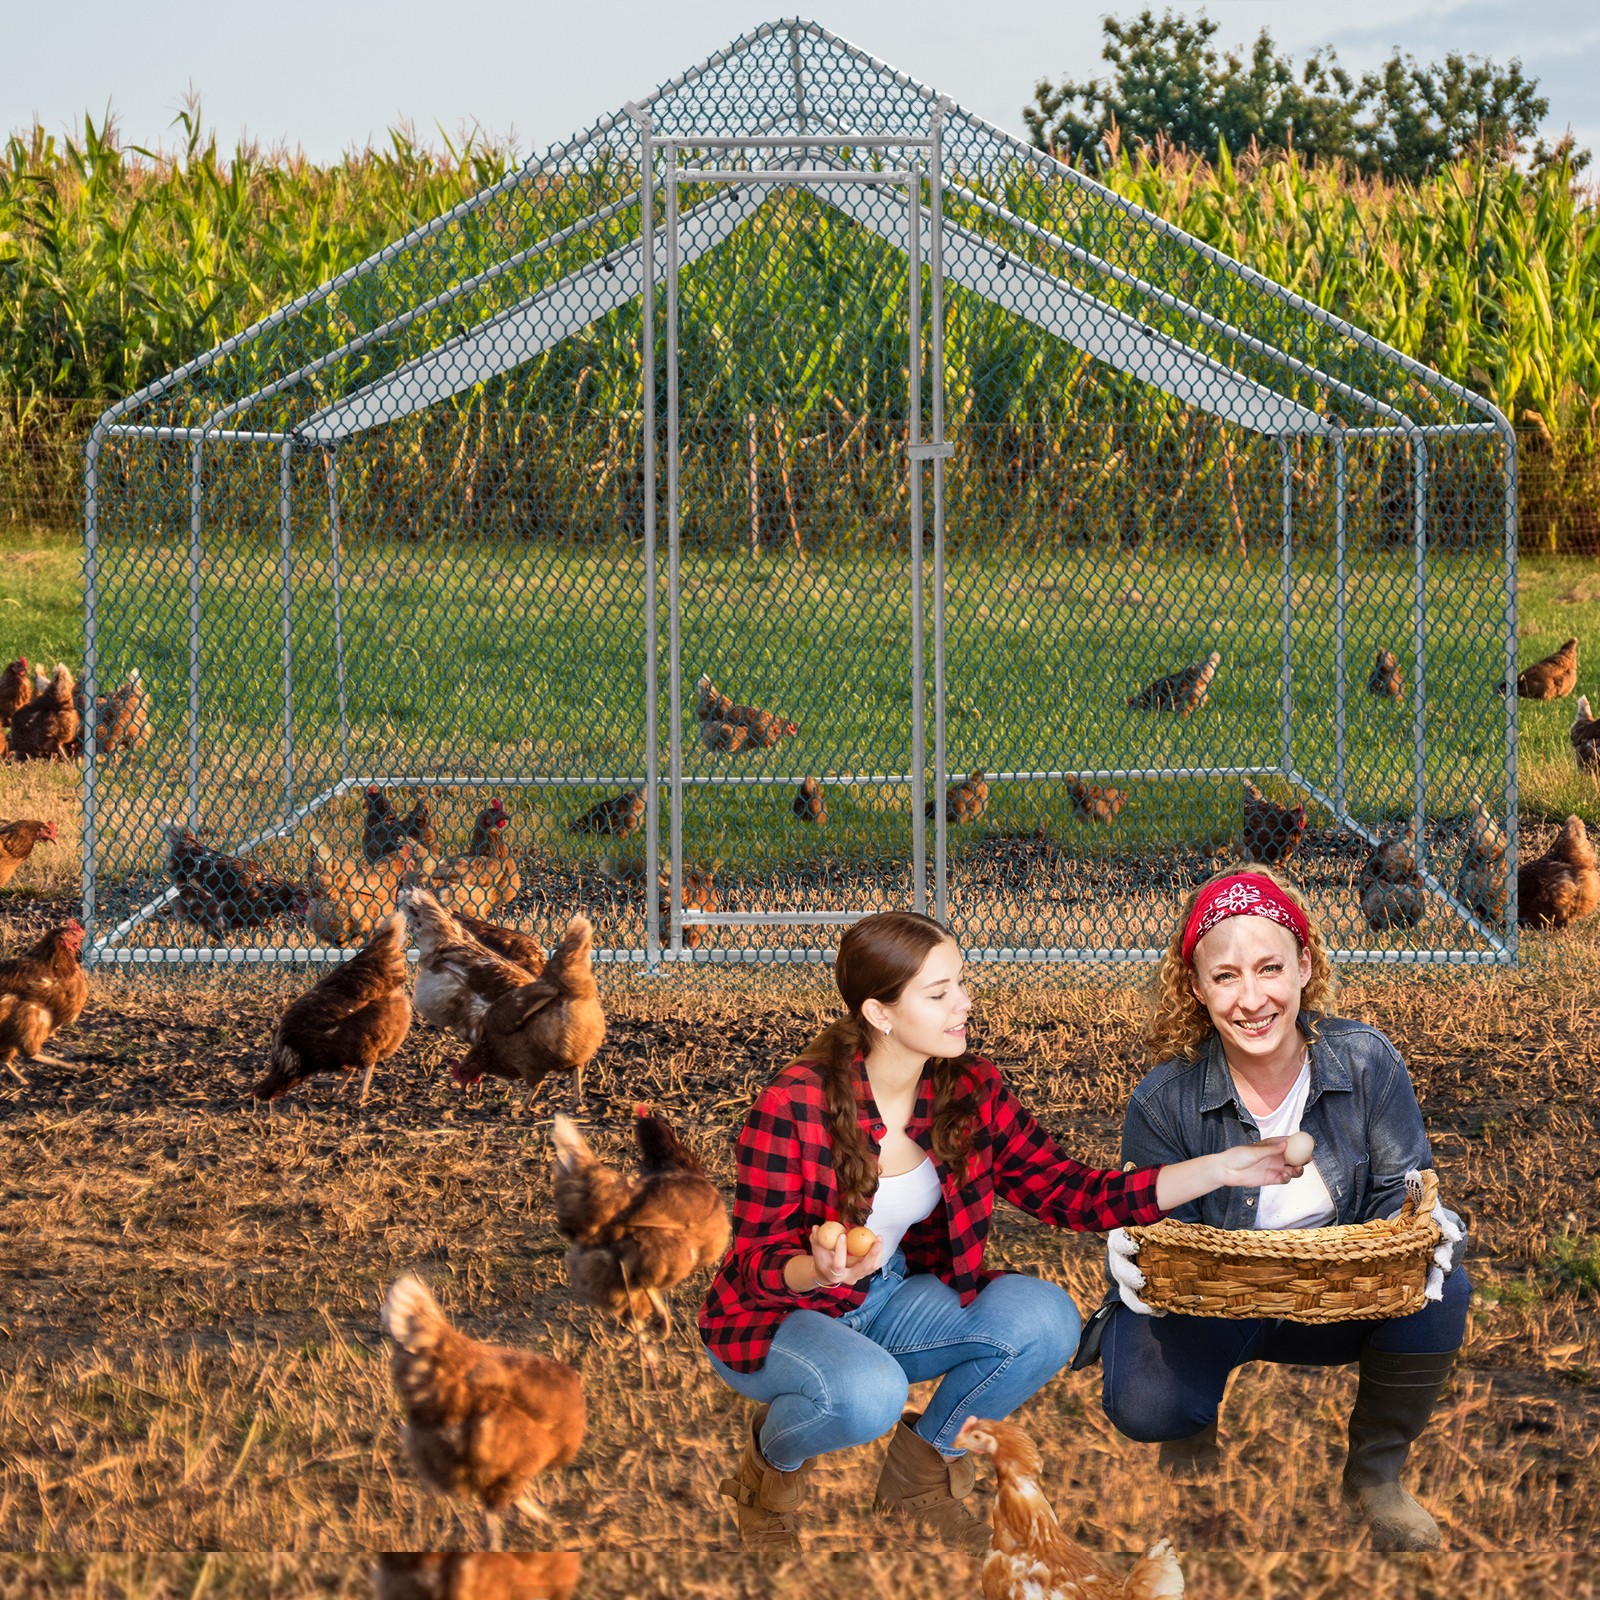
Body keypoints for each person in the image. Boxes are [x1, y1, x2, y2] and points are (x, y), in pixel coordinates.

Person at [698, 909, 1302, 1553]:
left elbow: (1071, 1193)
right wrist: (815, 1270)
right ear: (880, 1014)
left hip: (885, 1297)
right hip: (778, 1313)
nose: (964, 1003)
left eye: (961, 982)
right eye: (940, 994)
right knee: (869, 1395)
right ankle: (770, 1471)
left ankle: (919, 1472)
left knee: (1046, 1320)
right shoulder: (795, 1102)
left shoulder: (969, 1087)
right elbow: (757, 1258)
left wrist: (1219, 1168)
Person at [1087, 865, 1468, 1553]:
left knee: (1438, 1285)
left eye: (1270, 968)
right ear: (1196, 989)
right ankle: (1189, 1433)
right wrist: (1133, 1241)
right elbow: (1157, 1227)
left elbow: (1401, 1193)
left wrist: (1419, 1236)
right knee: (1148, 1403)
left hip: (1338, 1301)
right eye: (1226, 976)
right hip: (1215, 1305)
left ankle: (1377, 1477)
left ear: (1305, 967)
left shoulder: (1367, 1062)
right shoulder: (1164, 1098)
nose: (1252, 998)